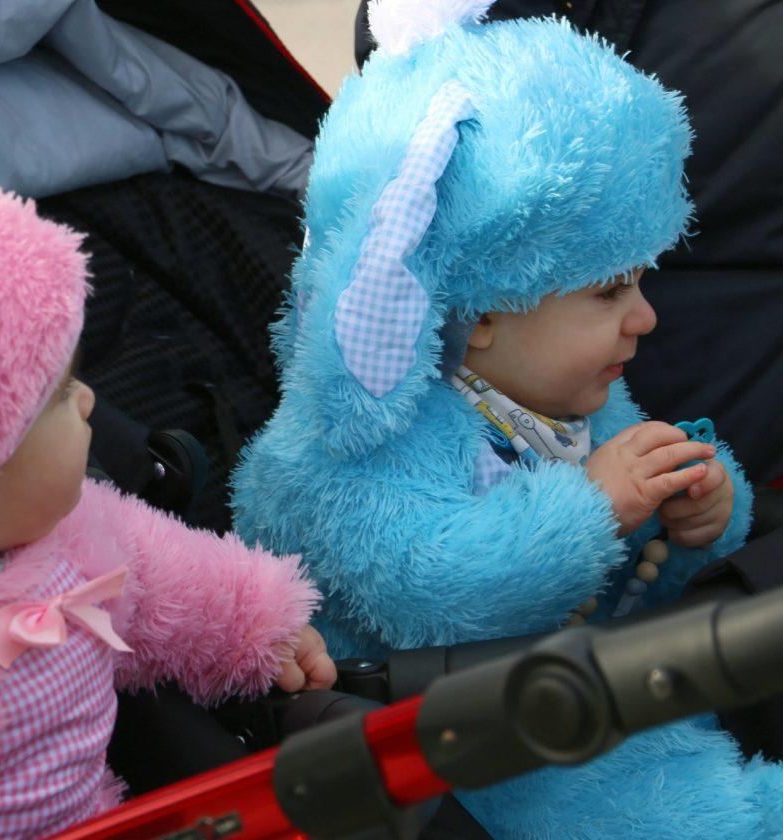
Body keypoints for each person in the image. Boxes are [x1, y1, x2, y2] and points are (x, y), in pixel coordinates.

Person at [231, 1, 783, 837]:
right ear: (482, 310)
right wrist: (593, 506)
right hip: (471, 752)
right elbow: (430, 591)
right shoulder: (343, 455)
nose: (646, 318)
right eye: (611, 292)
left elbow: (634, 583)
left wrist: (697, 521)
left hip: (609, 696)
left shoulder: (572, 398)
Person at [0, 157, 335, 839]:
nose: (91, 400)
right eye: (59, 396)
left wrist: (260, 625)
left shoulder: (71, 527)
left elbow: (166, 575)